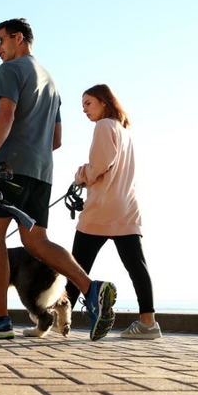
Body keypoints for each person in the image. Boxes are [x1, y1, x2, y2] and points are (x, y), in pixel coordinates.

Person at [0, 18, 117, 341]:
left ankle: (0, 319)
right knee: (35, 241)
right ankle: (90, 289)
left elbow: (5, 115)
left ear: (18, 38)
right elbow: (56, 138)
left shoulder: (11, 70)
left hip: (9, 170)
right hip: (42, 173)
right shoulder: (51, 82)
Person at [67, 84, 162, 340]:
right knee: (137, 266)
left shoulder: (103, 126)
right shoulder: (124, 131)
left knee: (76, 266)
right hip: (127, 207)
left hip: (101, 209)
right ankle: (148, 324)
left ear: (104, 102)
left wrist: (80, 175)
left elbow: (99, 165)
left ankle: (58, 321)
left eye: (88, 103)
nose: (84, 110)